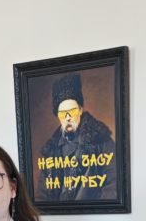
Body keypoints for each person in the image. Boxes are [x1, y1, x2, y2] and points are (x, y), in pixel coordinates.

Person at [38, 72, 117, 202]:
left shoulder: (101, 141)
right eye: (63, 113)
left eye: (72, 111)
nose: (68, 117)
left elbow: (113, 185)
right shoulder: (50, 150)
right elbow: (42, 196)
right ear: (57, 115)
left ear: (80, 110)